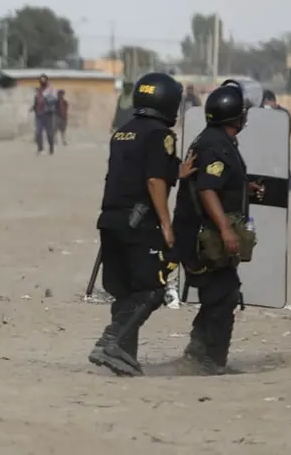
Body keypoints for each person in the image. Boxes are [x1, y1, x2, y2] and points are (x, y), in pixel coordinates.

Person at [88, 72, 195, 376]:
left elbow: (141, 169)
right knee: (152, 289)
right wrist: (166, 224)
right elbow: (153, 179)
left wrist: (178, 171)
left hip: (110, 219)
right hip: (139, 224)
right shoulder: (161, 135)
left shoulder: (123, 132)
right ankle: (112, 341)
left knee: (125, 291)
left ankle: (122, 356)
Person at [173, 82, 262, 375]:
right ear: (236, 117)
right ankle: (210, 359)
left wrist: (243, 188)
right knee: (224, 293)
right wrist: (226, 229)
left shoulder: (213, 140)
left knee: (219, 292)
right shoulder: (215, 144)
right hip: (204, 237)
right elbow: (208, 189)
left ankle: (197, 352)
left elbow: (217, 181)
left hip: (199, 234)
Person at [262, 90, 291, 192]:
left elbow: (285, 132)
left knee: (281, 169)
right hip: (267, 148)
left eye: (267, 103)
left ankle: (290, 188)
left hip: (279, 147)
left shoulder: (283, 114)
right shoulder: (265, 113)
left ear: (272, 101)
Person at [31, 74, 59, 154]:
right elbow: (36, 100)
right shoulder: (38, 90)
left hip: (48, 114)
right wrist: (33, 107)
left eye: (43, 80)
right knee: (38, 132)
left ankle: (51, 148)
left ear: (47, 80)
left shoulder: (51, 89)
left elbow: (55, 101)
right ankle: (40, 149)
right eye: (40, 80)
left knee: (49, 133)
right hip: (39, 114)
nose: (42, 81)